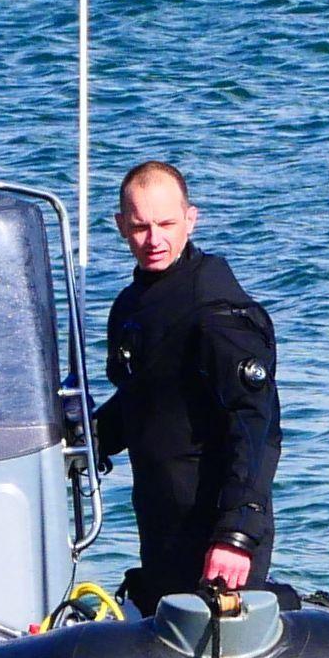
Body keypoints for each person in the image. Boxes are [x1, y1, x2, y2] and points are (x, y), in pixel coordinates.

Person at [88, 161, 276, 610]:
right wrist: (83, 438)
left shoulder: (216, 309)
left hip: (217, 532)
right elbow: (146, 399)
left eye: (167, 224)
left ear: (191, 219)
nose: (154, 240)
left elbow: (255, 425)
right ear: (121, 226)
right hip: (161, 526)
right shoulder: (132, 306)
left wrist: (237, 532)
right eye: (140, 227)